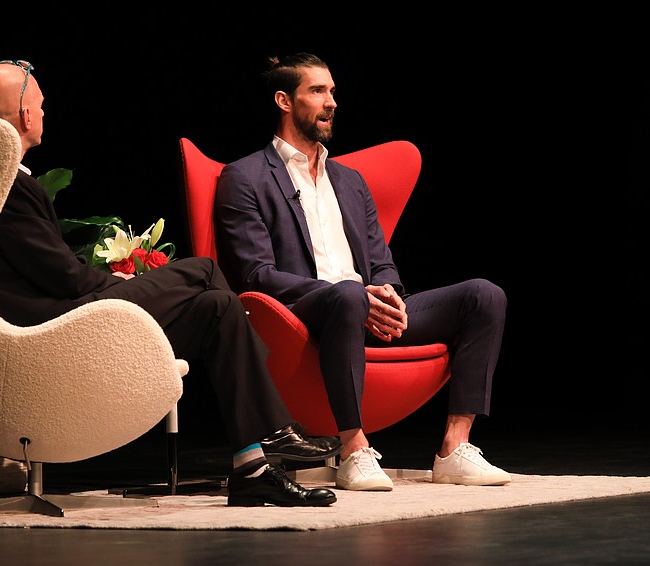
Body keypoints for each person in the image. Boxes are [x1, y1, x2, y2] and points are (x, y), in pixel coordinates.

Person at [0, 59, 342, 507]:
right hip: (57, 322)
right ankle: (275, 426)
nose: (45, 115)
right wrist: (111, 279)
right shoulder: (4, 183)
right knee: (204, 270)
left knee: (219, 308)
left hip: (66, 310)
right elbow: (64, 276)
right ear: (26, 116)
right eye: (41, 107)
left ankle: (253, 467)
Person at [214, 53, 511, 492]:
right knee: (348, 293)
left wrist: (388, 292)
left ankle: (454, 446)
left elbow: (380, 259)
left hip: (365, 307)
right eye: (317, 91)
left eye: (332, 91)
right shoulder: (246, 176)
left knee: (484, 296)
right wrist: (350, 294)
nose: (331, 101)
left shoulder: (350, 180)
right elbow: (258, 275)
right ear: (283, 100)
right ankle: (353, 448)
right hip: (303, 315)